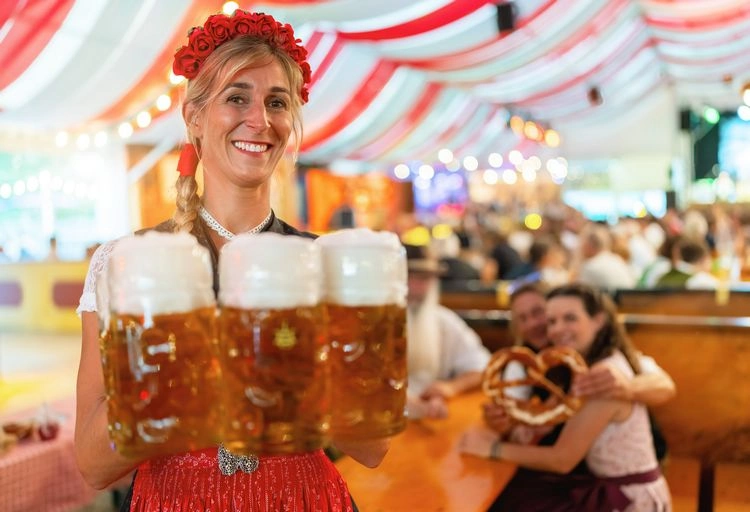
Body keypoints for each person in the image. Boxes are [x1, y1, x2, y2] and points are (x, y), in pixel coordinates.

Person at [75, 10, 387, 511]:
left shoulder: (328, 263)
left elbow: (372, 448)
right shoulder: (125, 264)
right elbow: (93, 466)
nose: (259, 120)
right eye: (236, 97)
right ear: (194, 116)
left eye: (277, 102)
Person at [463, 283, 672, 511]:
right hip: (610, 485)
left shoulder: (603, 377)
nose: (557, 329)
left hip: (628, 499)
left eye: (570, 318)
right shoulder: (588, 363)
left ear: (599, 320)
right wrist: (511, 424)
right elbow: (547, 420)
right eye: (552, 321)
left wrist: (492, 449)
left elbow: (561, 460)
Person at [404, 243, 491, 420]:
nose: (417, 286)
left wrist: (452, 387)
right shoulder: (374, 325)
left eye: (425, 278)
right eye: (410, 277)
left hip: (428, 421)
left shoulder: (444, 321)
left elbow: (484, 366)